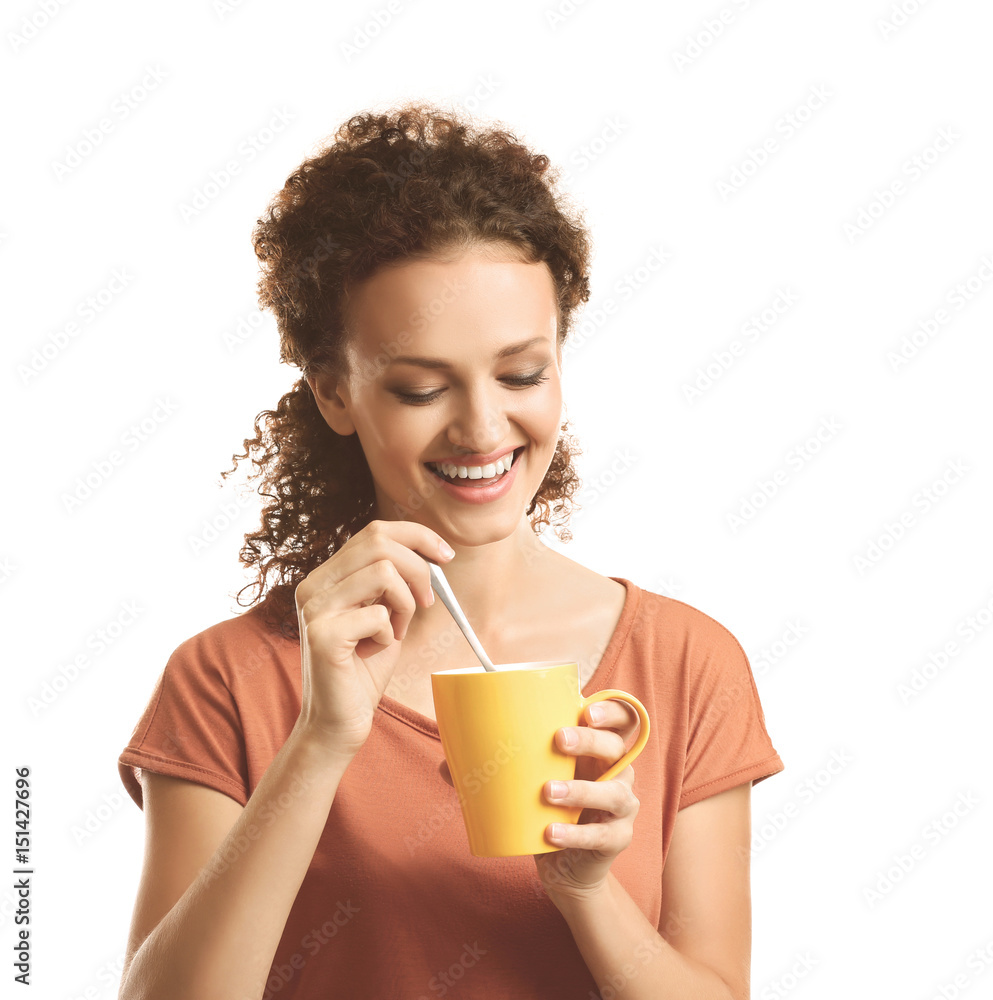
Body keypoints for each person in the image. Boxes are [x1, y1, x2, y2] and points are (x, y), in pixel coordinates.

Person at [116, 102, 785, 1000]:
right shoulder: (228, 681)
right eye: (421, 386)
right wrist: (318, 744)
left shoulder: (685, 664)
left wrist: (587, 895)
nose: (481, 427)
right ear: (334, 394)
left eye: (521, 374)